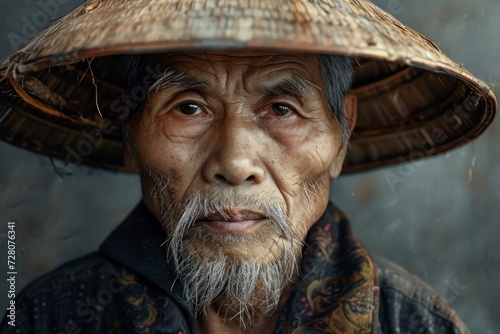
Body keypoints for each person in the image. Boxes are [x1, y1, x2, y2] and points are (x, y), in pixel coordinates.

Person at [0, 0, 496, 333]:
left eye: (282, 110)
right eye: (188, 107)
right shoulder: (44, 317)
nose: (234, 165)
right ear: (130, 135)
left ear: (341, 136)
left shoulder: (413, 323)